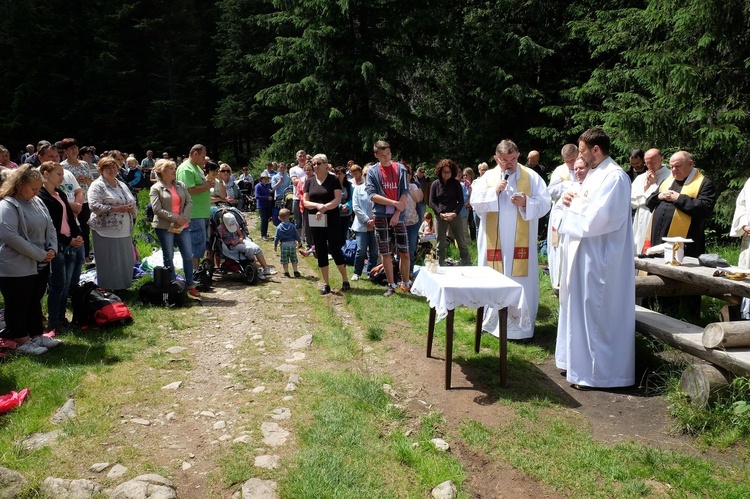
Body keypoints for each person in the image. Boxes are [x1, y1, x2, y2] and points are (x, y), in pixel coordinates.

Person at [556, 127, 635, 389]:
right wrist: (570, 196)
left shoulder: (615, 177)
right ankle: (577, 366)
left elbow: (602, 217)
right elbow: (582, 201)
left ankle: (598, 374)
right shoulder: (594, 175)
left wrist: (573, 203)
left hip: (601, 258)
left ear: (595, 150)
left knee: (595, 313)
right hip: (584, 254)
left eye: (582, 151)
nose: (580, 156)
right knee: (580, 310)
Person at [470, 139, 550, 340]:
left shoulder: (531, 177)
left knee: (520, 281)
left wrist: (526, 203)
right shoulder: (487, 178)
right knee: (493, 279)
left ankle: (519, 327)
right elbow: (475, 203)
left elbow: (546, 203)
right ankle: (492, 323)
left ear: (518, 156)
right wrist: (493, 191)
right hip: (493, 244)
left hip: (519, 248)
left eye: (513, 159)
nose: (510, 164)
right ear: (497, 158)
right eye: (505, 160)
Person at [0, 166, 60, 354]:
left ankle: (36, 334)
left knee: (34, 300)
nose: (36, 192)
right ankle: (22, 340)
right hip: (16, 266)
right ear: (19, 185)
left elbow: (50, 226)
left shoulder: (37, 202)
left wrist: (52, 248)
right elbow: (11, 237)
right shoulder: (7, 205)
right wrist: (39, 254)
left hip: (40, 263)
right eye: (33, 189)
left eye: (38, 189)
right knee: (17, 303)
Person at [38, 161, 84, 333]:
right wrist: (68, 240)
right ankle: (54, 320)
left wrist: (78, 235)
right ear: (46, 174)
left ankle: (62, 318)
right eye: (58, 174)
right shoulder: (41, 196)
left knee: (66, 284)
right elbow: (49, 226)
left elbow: (71, 219)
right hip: (56, 245)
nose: (62, 178)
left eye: (63, 174)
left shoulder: (60, 193)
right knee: (57, 285)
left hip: (70, 244)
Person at [646, 151, 716, 257]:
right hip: (658, 236)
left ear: (690, 164)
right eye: (672, 167)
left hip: (686, 240)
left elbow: (705, 209)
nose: (674, 170)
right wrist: (659, 196)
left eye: (678, 166)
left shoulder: (704, 183)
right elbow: (649, 202)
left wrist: (678, 198)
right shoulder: (667, 181)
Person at [366, 141, 411, 296]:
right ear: (376, 155)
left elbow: (404, 192)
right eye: (382, 155)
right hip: (381, 215)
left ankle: (406, 283)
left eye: (388, 154)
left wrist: (397, 212)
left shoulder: (401, 169)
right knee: (385, 252)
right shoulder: (372, 172)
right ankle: (391, 285)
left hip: (399, 214)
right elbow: (372, 195)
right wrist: (394, 203)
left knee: (404, 251)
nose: (386, 158)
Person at [149, 158, 200, 298]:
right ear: (163, 171)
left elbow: (189, 202)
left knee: (188, 255)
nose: (174, 171)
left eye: (174, 168)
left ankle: (190, 284)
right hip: (165, 226)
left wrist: (183, 218)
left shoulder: (180, 185)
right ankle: (172, 285)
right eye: (171, 168)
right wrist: (176, 218)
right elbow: (157, 209)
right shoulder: (155, 188)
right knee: (169, 256)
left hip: (183, 225)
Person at [88, 156, 137, 292]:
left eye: (114, 167)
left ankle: (123, 287)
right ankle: (107, 288)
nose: (111, 170)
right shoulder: (97, 185)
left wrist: (132, 209)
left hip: (124, 228)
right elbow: (94, 206)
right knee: (108, 260)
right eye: (107, 167)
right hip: (105, 230)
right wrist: (116, 209)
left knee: (123, 259)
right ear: (101, 170)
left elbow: (131, 200)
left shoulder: (121, 183)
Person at [304, 154, 350, 295]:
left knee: (335, 249)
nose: (315, 166)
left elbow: (337, 200)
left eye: (318, 163)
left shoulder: (334, 179)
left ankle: (345, 279)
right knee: (321, 250)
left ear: (326, 164)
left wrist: (325, 208)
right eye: (314, 163)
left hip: (332, 219)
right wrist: (318, 206)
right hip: (316, 220)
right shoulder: (309, 181)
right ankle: (326, 283)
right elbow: (305, 202)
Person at [546, 144, 578, 289]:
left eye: (572, 159)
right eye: (567, 161)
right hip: (559, 214)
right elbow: (550, 190)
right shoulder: (560, 171)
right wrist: (567, 185)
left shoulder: (585, 167)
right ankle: (556, 280)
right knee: (556, 245)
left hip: (577, 214)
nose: (570, 164)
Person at [176, 144, 213, 268]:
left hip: (200, 212)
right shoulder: (186, 169)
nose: (204, 159)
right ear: (195, 154)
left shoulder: (196, 168)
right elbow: (188, 190)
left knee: (199, 245)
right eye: (202, 156)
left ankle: (196, 273)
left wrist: (207, 183)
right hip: (193, 213)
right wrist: (206, 187)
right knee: (194, 245)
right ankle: (193, 276)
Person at [429, 159, 470, 267]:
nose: (446, 174)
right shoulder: (435, 184)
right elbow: (431, 202)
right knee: (440, 244)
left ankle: (466, 263)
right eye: (444, 172)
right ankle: (440, 265)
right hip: (440, 216)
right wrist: (439, 213)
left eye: (448, 172)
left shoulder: (456, 184)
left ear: (452, 172)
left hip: (454, 215)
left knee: (461, 241)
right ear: (440, 171)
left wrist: (455, 213)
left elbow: (461, 201)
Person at [631, 149, 671, 255]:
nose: (650, 165)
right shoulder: (641, 178)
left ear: (661, 159)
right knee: (639, 247)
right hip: (641, 218)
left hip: (657, 217)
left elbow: (659, 198)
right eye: (647, 162)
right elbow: (631, 201)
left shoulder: (670, 176)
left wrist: (652, 185)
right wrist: (647, 187)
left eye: (653, 162)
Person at [61, 138, 94, 262]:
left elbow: (92, 182)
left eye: (75, 147)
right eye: (71, 148)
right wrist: (75, 178)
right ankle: (73, 253)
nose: (74, 150)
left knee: (86, 228)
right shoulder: (63, 166)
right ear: (65, 151)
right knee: (73, 226)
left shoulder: (84, 164)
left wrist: (86, 179)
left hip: (85, 200)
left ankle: (86, 254)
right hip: (71, 200)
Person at [217, 212, 275, 279]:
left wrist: (240, 239)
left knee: (257, 248)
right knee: (248, 249)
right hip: (231, 246)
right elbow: (221, 242)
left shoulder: (235, 224)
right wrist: (230, 243)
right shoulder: (220, 228)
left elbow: (240, 234)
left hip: (239, 241)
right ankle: (256, 269)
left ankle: (266, 268)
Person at [351, 165, 378, 281]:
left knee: (374, 252)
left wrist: (375, 220)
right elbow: (356, 207)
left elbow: (381, 206)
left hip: (376, 224)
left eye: (370, 174)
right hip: (362, 224)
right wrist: (367, 219)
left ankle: (370, 272)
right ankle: (357, 272)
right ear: (363, 175)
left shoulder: (379, 189)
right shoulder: (358, 189)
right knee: (361, 250)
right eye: (366, 174)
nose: (368, 176)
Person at [274, 208, 302, 278]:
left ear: (279, 218)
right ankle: (295, 271)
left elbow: (276, 237)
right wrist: (299, 241)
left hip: (283, 245)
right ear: (289, 217)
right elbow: (296, 235)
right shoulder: (292, 226)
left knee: (284, 259)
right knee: (293, 258)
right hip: (292, 244)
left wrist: (275, 245)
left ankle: (286, 272)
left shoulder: (279, 227)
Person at [335, 165, 354, 245]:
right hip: (336, 212)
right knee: (336, 232)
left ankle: (343, 248)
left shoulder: (349, 185)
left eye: (340, 173)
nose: (338, 175)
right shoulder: (333, 185)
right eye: (336, 173)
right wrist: (340, 205)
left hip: (346, 213)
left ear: (344, 174)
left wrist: (347, 205)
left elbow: (352, 198)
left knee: (344, 231)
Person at [289, 150, 307, 231]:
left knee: (307, 220)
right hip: (297, 198)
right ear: (297, 158)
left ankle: (307, 238)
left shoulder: (311, 168)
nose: (302, 158)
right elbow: (294, 182)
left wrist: (300, 180)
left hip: (308, 198)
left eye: (304, 156)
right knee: (298, 220)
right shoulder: (293, 169)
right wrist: (307, 180)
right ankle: (299, 240)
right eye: (300, 156)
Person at [255, 172, 274, 240]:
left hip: (267, 205)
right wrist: (267, 198)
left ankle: (265, 233)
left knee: (266, 220)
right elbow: (257, 196)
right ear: (261, 179)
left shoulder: (267, 186)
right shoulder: (258, 186)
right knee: (264, 220)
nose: (266, 180)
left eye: (267, 179)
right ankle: (263, 235)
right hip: (261, 206)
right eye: (265, 179)